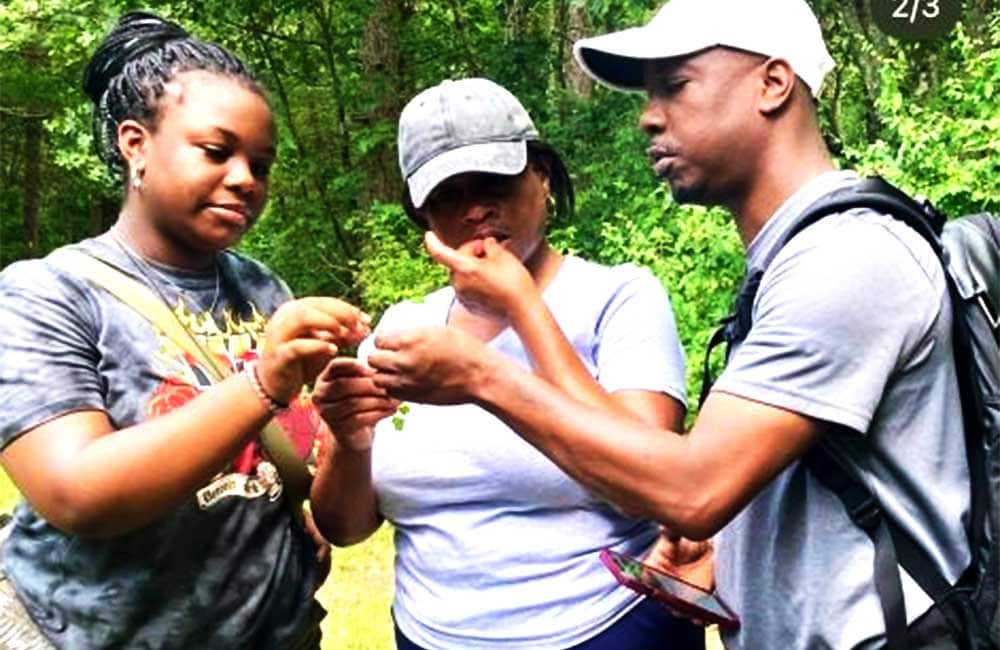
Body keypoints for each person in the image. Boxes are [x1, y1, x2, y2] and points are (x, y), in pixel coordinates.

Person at [356, 1, 973, 648]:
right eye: (649, 95)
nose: (649, 115)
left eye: (674, 86)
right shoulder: (789, 264)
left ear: (773, 83)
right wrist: (727, 551)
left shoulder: (846, 259)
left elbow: (691, 489)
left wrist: (482, 374)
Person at [0, 12, 371, 649]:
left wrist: (347, 433)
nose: (246, 179)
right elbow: (76, 493)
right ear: (135, 144)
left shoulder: (263, 290)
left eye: (261, 163)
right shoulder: (46, 293)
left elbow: (316, 504)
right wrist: (264, 381)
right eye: (217, 151)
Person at [309, 77, 706, 650]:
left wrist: (521, 305)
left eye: (496, 181)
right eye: (448, 194)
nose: (476, 209)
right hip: (433, 635)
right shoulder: (400, 332)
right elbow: (347, 528)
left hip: (609, 627)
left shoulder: (621, 297)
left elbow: (653, 483)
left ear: (541, 178)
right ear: (423, 215)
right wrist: (350, 442)